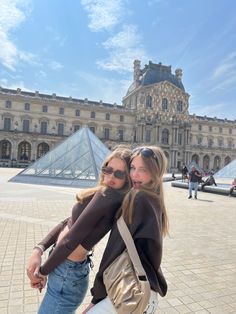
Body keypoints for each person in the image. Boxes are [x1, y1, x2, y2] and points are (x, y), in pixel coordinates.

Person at [26, 147, 132, 314]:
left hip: (65, 272)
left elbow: (70, 241)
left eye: (119, 174)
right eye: (108, 170)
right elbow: (67, 223)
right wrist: (39, 249)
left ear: (127, 179)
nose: (111, 176)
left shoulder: (108, 195)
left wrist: (41, 272)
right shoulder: (104, 192)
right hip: (65, 269)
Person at [83, 146, 169, 314]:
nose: (134, 175)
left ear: (155, 172)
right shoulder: (155, 199)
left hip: (128, 294)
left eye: (142, 170)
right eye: (132, 167)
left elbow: (113, 250)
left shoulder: (138, 198)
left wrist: (97, 297)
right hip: (146, 294)